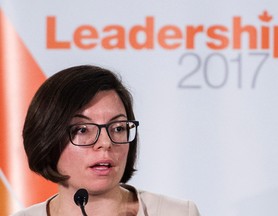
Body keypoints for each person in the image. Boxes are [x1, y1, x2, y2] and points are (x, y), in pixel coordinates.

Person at [12, 65, 200, 216]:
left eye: (118, 128)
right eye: (82, 129)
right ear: (47, 139)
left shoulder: (179, 213)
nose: (105, 143)